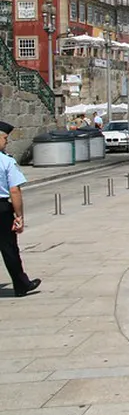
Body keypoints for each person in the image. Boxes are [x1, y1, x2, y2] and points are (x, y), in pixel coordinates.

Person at [0, 121, 40, 297]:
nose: (6, 142)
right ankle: (21, 284)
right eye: (4, 138)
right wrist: (19, 216)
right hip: (1, 209)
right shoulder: (5, 161)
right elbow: (14, 190)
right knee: (9, 248)